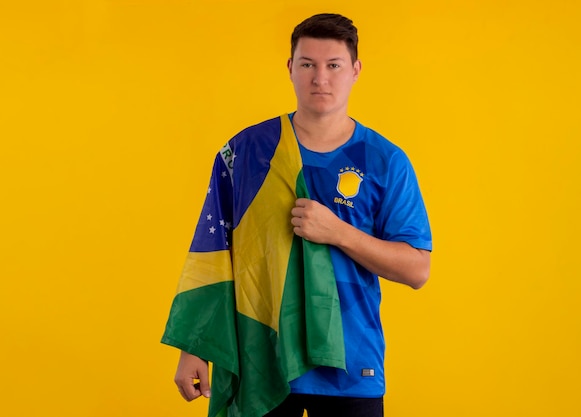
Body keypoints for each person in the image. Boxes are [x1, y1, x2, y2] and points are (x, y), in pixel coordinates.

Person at [162, 13, 432, 417]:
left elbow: (417, 269)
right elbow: (213, 251)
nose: (320, 78)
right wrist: (194, 346)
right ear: (290, 68)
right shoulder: (247, 151)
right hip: (262, 360)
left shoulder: (384, 161)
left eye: (333, 65)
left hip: (351, 366)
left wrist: (338, 232)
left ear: (355, 71)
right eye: (307, 64)